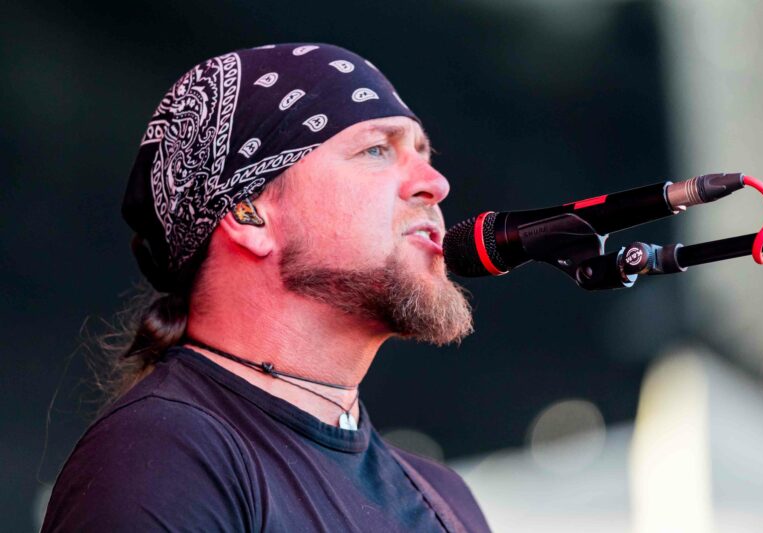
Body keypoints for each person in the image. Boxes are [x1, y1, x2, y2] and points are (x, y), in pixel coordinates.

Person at [42, 43, 490, 532]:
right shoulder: (162, 459)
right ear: (247, 214)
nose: (436, 184)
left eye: (423, 153)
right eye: (376, 150)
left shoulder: (444, 497)